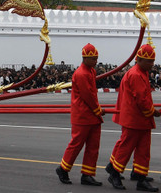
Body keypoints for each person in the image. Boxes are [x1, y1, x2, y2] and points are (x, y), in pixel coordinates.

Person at [106, 44, 160, 191]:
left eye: (152, 61)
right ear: (140, 60)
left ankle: (140, 176)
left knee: (143, 150)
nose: (152, 64)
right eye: (150, 61)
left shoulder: (141, 72)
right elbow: (141, 99)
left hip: (140, 119)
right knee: (126, 148)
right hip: (135, 119)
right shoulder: (136, 74)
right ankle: (115, 174)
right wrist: (154, 111)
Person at [56, 43, 102, 186]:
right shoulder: (81, 73)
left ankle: (87, 174)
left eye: (96, 58)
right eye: (94, 59)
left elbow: (92, 95)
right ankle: (63, 168)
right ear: (85, 58)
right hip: (82, 115)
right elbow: (87, 95)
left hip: (92, 114)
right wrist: (98, 110)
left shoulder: (91, 71)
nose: (96, 61)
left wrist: (96, 110)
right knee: (76, 144)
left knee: (93, 146)